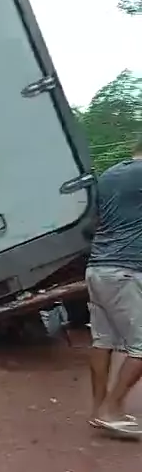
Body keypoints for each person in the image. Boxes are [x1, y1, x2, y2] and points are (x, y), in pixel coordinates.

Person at [86, 138, 142, 438]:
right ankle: (112, 407)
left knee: (103, 341)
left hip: (97, 268)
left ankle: (99, 409)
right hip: (125, 271)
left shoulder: (109, 175)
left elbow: (95, 220)